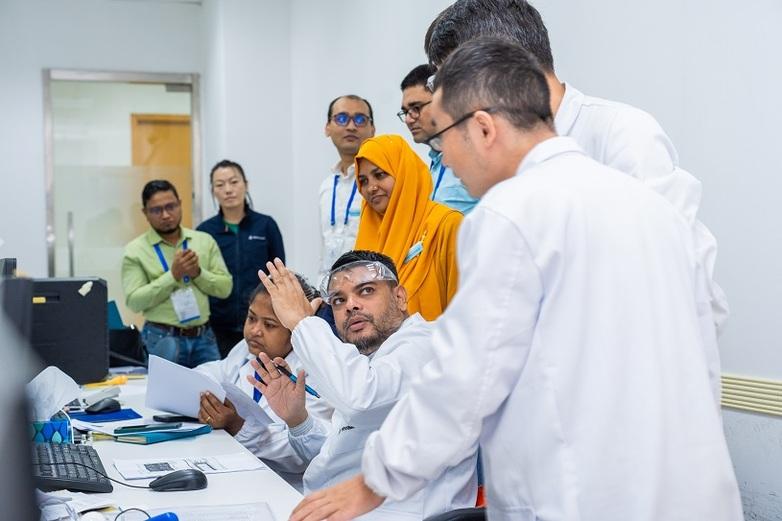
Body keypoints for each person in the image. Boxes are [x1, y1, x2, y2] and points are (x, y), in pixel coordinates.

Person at [288, 38, 743, 521]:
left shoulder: (510, 214)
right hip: (691, 489)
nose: (447, 162)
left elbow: (465, 377)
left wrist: (374, 482)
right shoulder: (653, 204)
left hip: (582, 494)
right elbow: (708, 323)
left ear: (482, 128)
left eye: (443, 139)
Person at [423, 0, 728, 337]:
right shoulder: (500, 153)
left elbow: (679, 286)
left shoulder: (621, 133)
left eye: (449, 80)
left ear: (495, 68)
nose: (446, 98)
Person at [249, 252, 478, 520]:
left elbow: (361, 396)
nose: (351, 306)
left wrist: (301, 322)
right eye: (338, 300)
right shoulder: (367, 362)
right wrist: (298, 420)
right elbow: (340, 459)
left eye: (366, 290)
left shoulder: (428, 344)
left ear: (400, 297)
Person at [194, 274, 332, 490]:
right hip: (240, 474)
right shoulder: (249, 349)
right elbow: (218, 370)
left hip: (286, 487)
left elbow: (305, 455)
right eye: (251, 318)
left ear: (294, 330)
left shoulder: (314, 374)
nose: (255, 331)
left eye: (269, 324)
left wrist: (237, 426)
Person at [122, 180, 231, 368]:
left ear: (180, 204)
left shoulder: (204, 241)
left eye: (170, 206)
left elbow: (225, 288)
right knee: (165, 396)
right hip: (161, 339)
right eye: (156, 210)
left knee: (214, 395)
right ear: (145, 213)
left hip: (204, 338)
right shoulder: (135, 250)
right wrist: (172, 276)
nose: (165, 215)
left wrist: (197, 273)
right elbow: (134, 301)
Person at [354, 134, 462, 320]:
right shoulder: (369, 232)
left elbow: (464, 309)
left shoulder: (446, 225)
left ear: (404, 173)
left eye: (380, 175)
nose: (371, 187)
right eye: (363, 181)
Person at [197, 159, 286, 357]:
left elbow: (279, 274)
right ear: (213, 191)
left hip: (260, 323)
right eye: (220, 185)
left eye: (234, 182)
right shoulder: (205, 232)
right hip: (217, 327)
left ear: (246, 185)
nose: (228, 190)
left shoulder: (265, 225)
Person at [399, 64, 478, 214]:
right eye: (405, 112)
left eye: (416, 108)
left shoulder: (476, 154)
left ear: (442, 100)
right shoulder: (434, 164)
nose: (409, 119)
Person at [318, 95, 376, 285]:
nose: (351, 126)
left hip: (368, 287)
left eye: (360, 119)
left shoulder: (379, 183)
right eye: (342, 118)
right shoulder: (326, 186)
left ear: (372, 129)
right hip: (329, 289)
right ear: (328, 127)